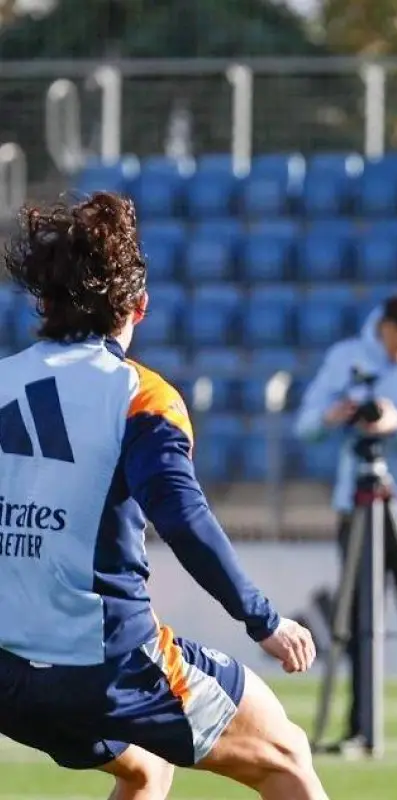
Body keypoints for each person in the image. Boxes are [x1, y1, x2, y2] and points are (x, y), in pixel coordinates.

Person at [0, 191, 326, 800]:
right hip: (106, 666)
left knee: (147, 769)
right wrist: (263, 619)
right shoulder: (140, 396)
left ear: (42, 303)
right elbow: (182, 516)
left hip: (10, 676)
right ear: (139, 308)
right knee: (286, 755)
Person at [293, 292, 397, 753]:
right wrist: (333, 415)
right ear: (386, 330)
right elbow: (306, 426)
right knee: (357, 618)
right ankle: (359, 727)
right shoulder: (347, 358)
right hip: (356, 498)